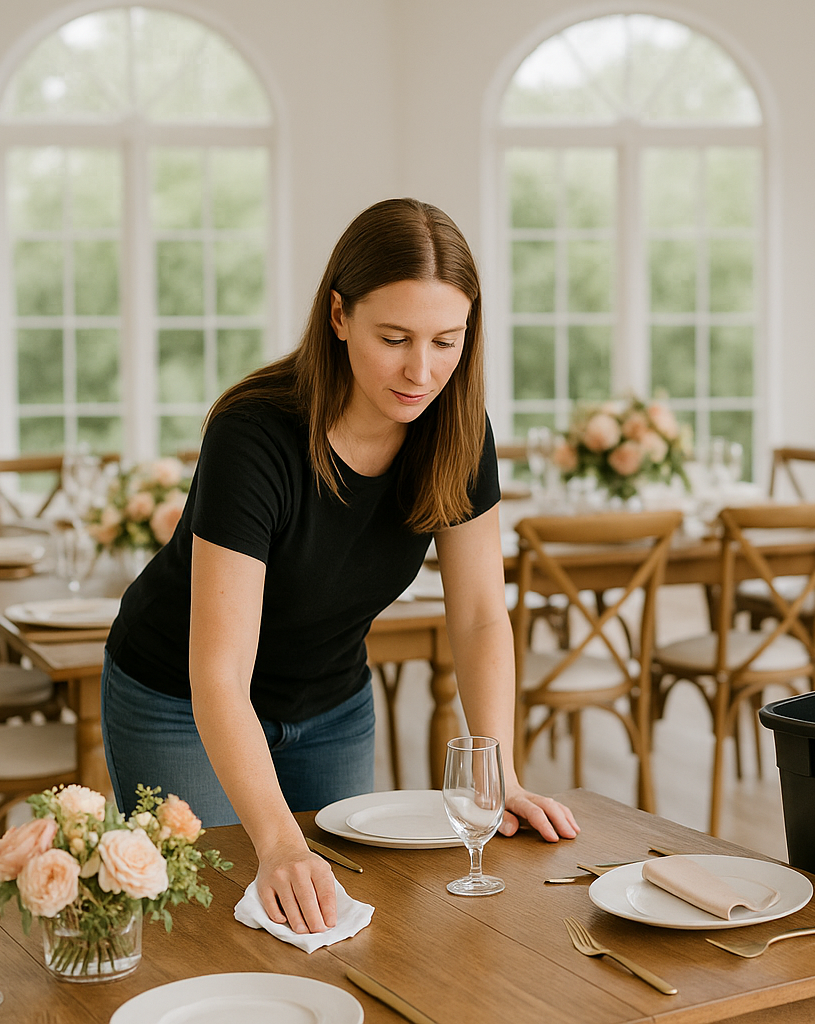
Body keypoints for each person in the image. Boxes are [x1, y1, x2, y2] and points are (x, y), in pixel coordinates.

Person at [100, 198, 579, 936]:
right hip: (178, 700)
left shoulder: (455, 430)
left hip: (330, 704)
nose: (422, 371)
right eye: (395, 338)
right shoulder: (253, 436)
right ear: (338, 316)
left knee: (341, 918)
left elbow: (482, 614)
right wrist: (279, 843)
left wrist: (500, 777)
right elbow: (218, 673)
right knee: (214, 923)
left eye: (447, 341)